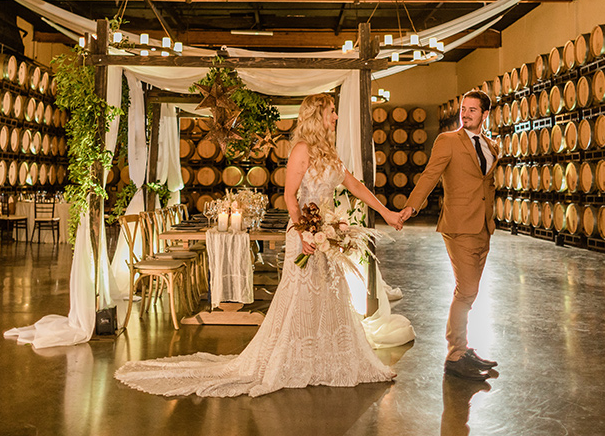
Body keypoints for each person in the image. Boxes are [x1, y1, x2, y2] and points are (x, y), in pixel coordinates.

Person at [115, 93, 404, 397]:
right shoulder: (302, 150)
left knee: (330, 297)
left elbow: (355, 185)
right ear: (317, 115)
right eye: (331, 112)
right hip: (305, 234)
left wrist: (386, 212)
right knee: (300, 298)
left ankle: (328, 360)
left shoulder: (329, 152)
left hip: (326, 235)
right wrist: (306, 232)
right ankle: (293, 361)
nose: (335, 117)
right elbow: (291, 196)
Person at [398, 89, 499, 382]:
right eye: (463, 109)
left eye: (472, 110)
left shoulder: (492, 146)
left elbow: (486, 186)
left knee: (470, 293)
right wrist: (410, 207)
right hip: (458, 226)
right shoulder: (448, 141)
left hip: (483, 227)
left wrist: (490, 222)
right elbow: (430, 175)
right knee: (465, 292)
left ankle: (463, 349)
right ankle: (455, 356)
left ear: (485, 114)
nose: (465, 114)